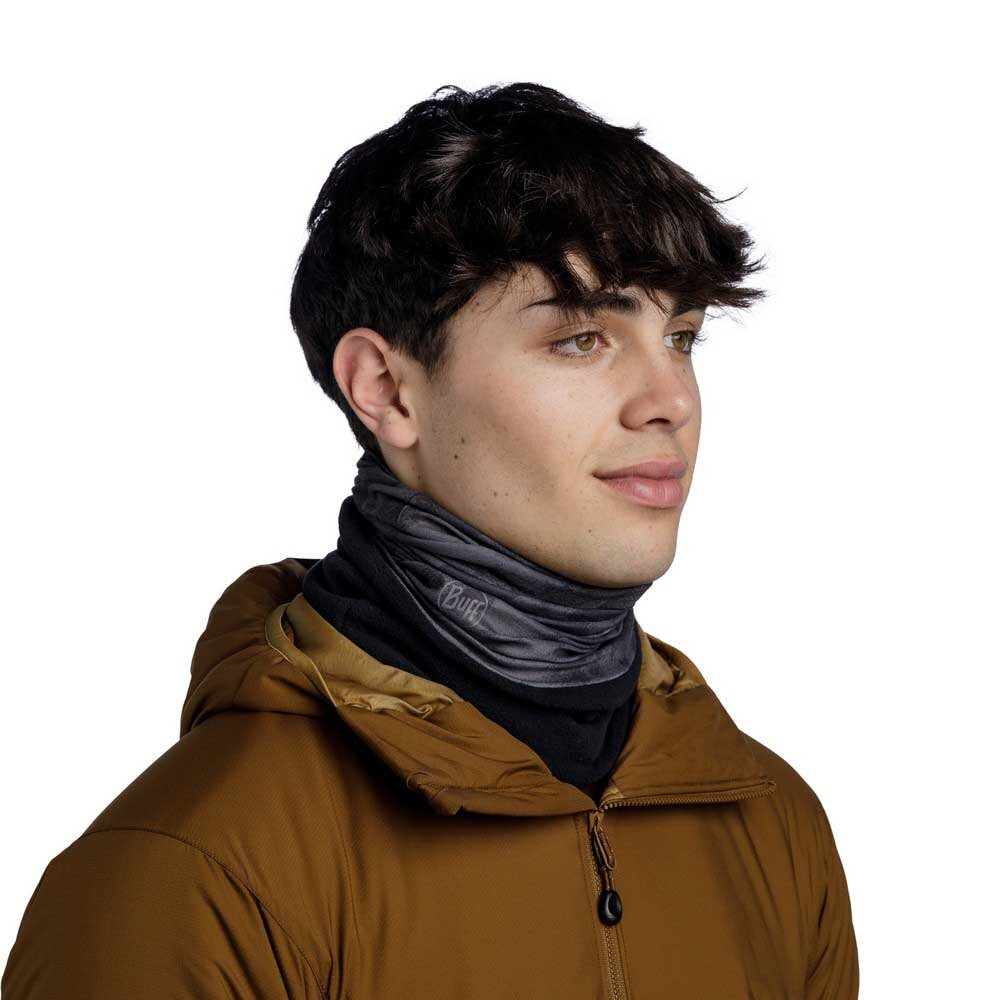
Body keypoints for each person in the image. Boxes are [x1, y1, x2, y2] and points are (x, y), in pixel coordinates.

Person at [2, 82, 859, 998]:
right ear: (385, 390)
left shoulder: (773, 824)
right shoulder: (189, 875)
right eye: (581, 339)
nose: (672, 401)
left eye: (681, 337)